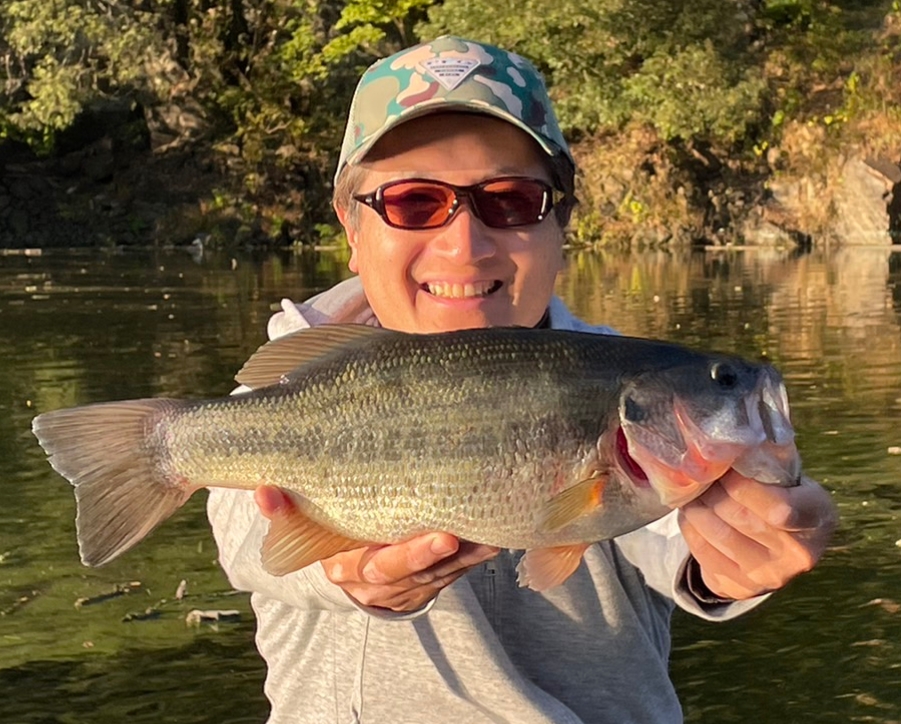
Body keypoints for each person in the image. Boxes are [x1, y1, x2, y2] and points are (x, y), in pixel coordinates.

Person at [207, 35, 837, 723]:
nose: (463, 243)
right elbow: (244, 536)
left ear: (560, 221)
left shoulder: (620, 379)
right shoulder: (297, 391)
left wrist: (745, 547)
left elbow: (679, 538)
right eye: (414, 202)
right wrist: (341, 575)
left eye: (509, 201)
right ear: (351, 227)